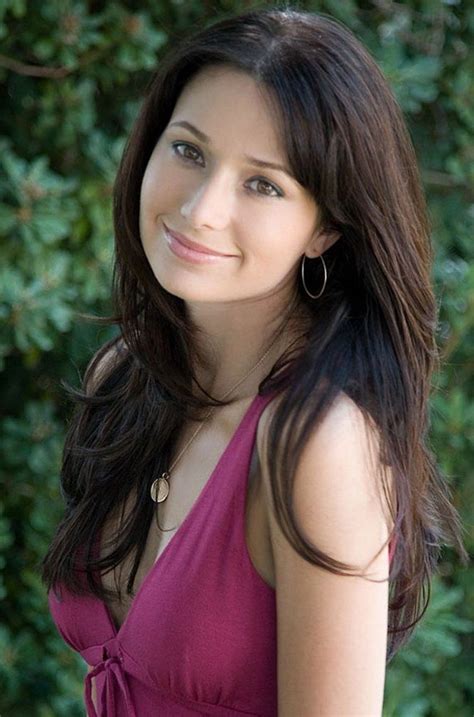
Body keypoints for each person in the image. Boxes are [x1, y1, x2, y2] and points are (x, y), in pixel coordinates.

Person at [41, 6, 468, 716]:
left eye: (263, 184)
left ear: (326, 225)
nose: (203, 209)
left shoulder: (321, 448)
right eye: (189, 151)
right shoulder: (122, 377)